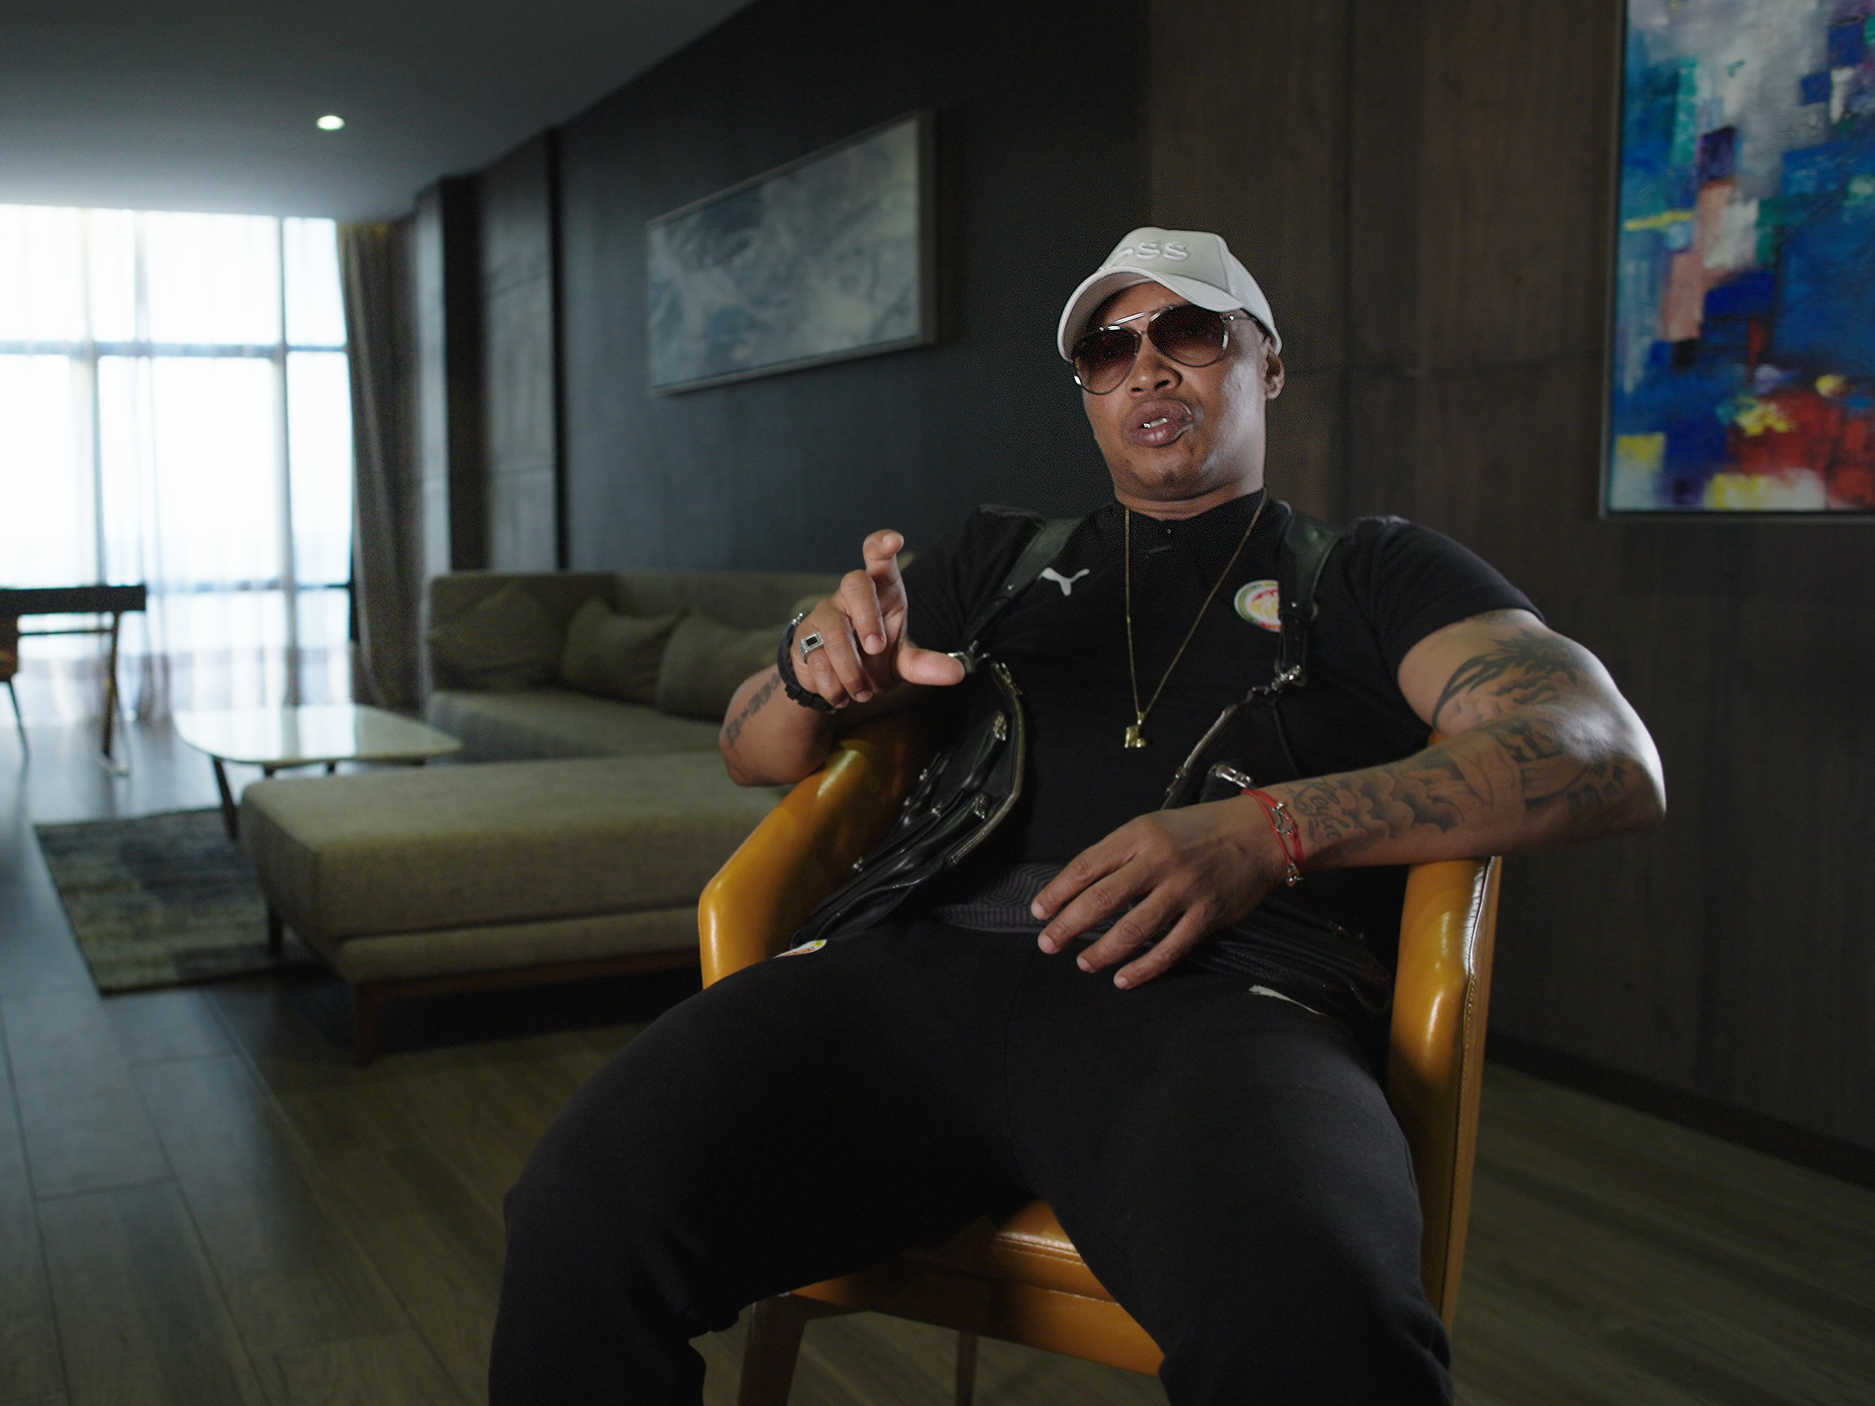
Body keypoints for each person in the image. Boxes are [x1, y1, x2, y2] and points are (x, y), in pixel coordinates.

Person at [487, 227, 1664, 1405]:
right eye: (1107, 348)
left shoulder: (1374, 573)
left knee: (1314, 1321)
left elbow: (1600, 751)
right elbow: (751, 749)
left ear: (1266, 364)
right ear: (1090, 393)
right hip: (911, 970)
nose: (1146, 366)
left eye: (1188, 331)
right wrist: (814, 667)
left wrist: (1269, 829)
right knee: (576, 1213)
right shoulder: (992, 562)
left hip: (1218, 1004)